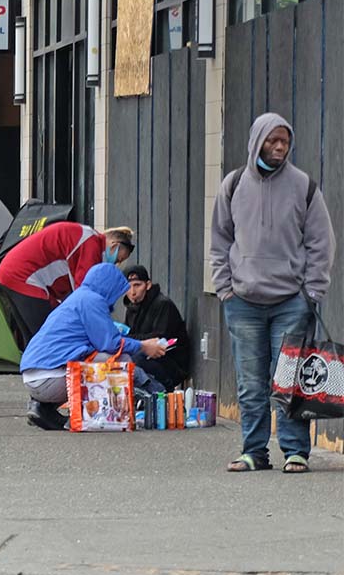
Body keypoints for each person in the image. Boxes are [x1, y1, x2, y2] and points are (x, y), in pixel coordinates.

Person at [211, 112, 336, 474]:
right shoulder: (233, 185)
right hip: (243, 302)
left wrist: (312, 291)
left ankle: (296, 451)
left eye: (285, 141)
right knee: (251, 384)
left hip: (291, 303)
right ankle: (254, 452)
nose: (280, 146)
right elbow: (219, 240)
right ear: (257, 141)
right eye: (273, 140)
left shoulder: (304, 186)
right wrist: (224, 287)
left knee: (291, 380)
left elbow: (321, 244)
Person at [19, 263, 169, 430]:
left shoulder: (79, 297)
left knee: (99, 358)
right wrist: (143, 346)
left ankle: (42, 407)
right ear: (109, 287)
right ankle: (100, 414)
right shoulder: (93, 301)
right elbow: (110, 344)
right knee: (119, 360)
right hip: (49, 380)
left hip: (33, 377)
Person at [0, 221, 136, 347]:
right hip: (24, 276)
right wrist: (105, 323)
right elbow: (85, 297)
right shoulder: (91, 244)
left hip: (12, 273)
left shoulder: (85, 236)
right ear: (114, 246)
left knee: (34, 338)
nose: (115, 264)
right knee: (49, 335)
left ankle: (34, 373)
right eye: (118, 259)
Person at [122, 265, 190, 392]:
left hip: (170, 363)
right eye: (128, 287)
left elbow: (160, 338)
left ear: (148, 285)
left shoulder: (162, 304)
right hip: (149, 359)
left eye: (137, 285)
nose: (132, 291)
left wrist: (128, 339)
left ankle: (161, 392)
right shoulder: (132, 307)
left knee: (134, 358)